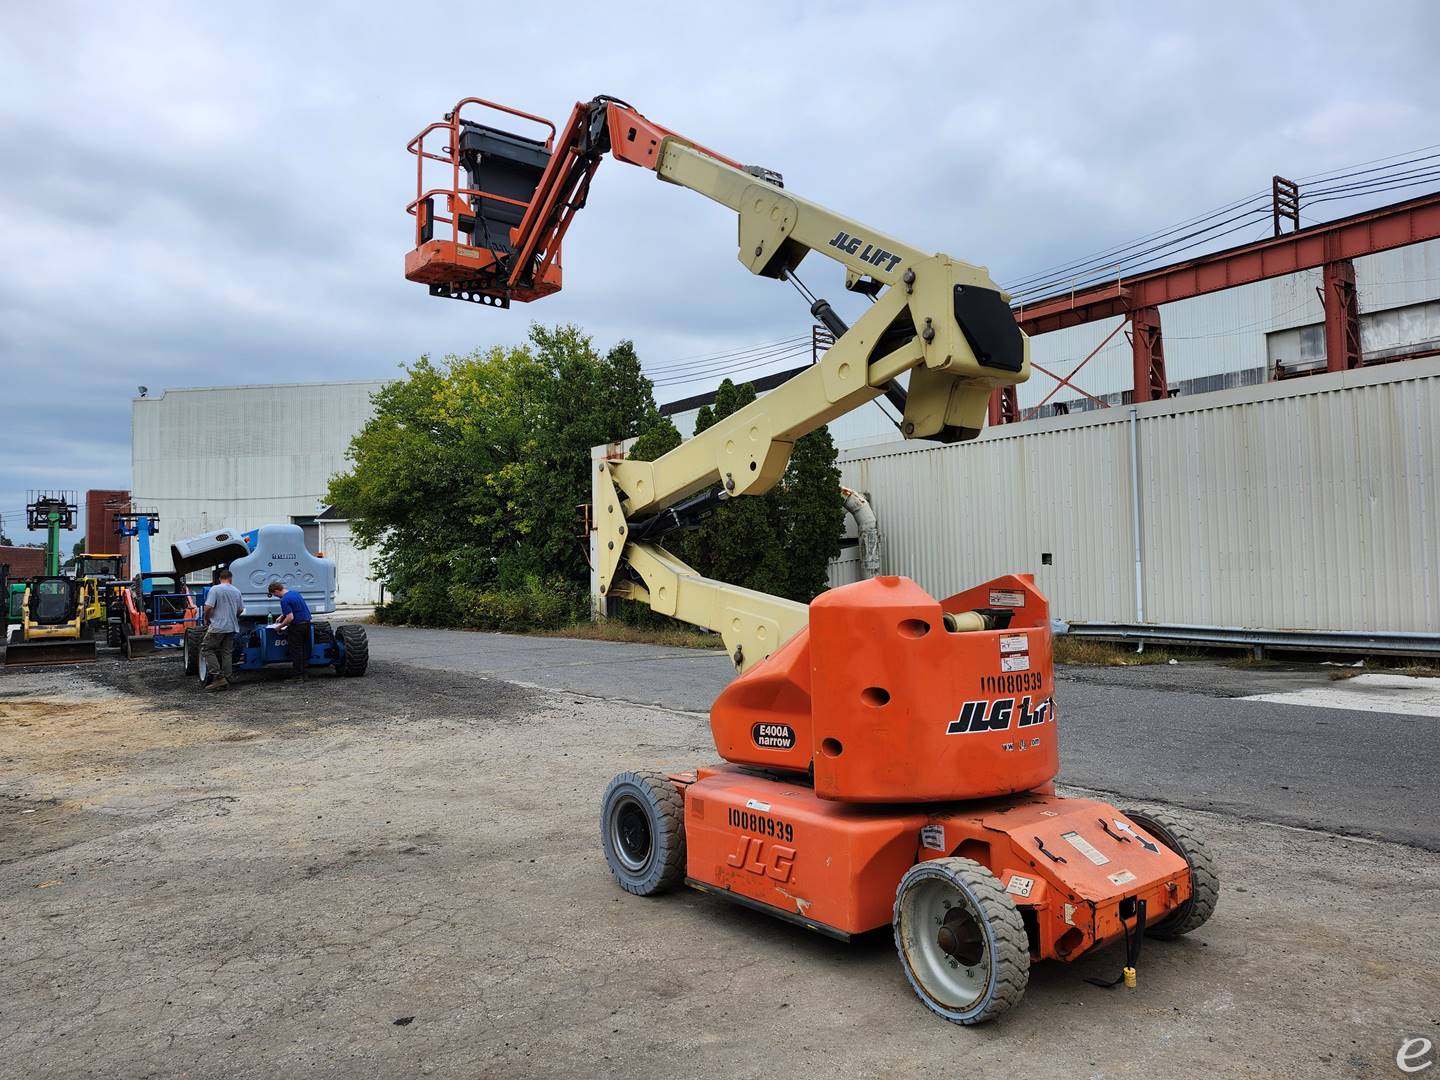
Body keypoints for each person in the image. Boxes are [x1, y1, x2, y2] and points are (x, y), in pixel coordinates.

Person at [201, 569, 243, 691]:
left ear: (220, 578)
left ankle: (218, 677)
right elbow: (240, 610)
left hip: (218, 626)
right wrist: (232, 617)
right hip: (231, 626)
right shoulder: (236, 591)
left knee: (206, 648)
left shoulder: (215, 589)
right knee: (227, 652)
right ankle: (227, 678)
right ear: (231, 578)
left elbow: (208, 607)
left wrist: (206, 618)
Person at [268, 580, 313, 680]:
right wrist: (282, 615)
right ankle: (304, 674)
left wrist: (279, 626)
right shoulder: (295, 593)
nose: (276, 596)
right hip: (306, 624)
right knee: (303, 649)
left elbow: (290, 617)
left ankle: (298, 675)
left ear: (276, 591)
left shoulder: (284, 600)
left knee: (296, 651)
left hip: (297, 627)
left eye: (274, 594)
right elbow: (296, 608)